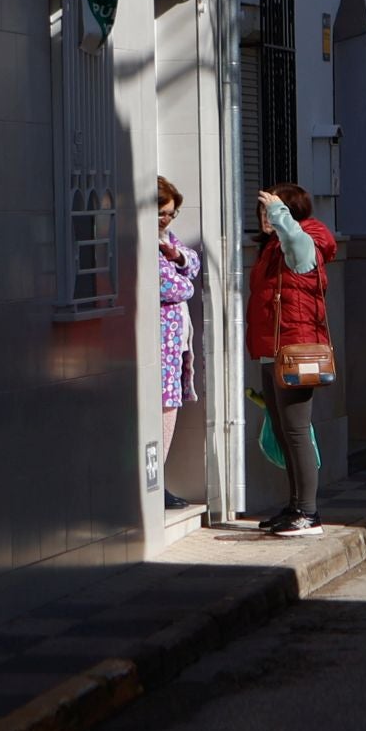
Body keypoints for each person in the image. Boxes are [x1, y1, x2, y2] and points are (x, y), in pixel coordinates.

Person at [247, 183, 337, 537]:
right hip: (274, 349)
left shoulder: (309, 238)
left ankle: (309, 513)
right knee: (284, 431)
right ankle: (295, 505)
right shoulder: (272, 246)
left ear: (290, 212)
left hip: (297, 349)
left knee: (298, 432)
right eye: (263, 212)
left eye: (271, 211)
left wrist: (279, 214)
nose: (265, 219)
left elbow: (299, 254)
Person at [157, 176, 200, 510]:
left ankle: (159, 481)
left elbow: (193, 263)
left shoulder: (166, 241)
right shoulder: (142, 244)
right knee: (162, 406)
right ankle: (154, 483)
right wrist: (182, 275)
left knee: (170, 405)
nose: (167, 220)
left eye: (172, 213)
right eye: (162, 213)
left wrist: (178, 257)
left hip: (174, 345)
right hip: (157, 343)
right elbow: (176, 288)